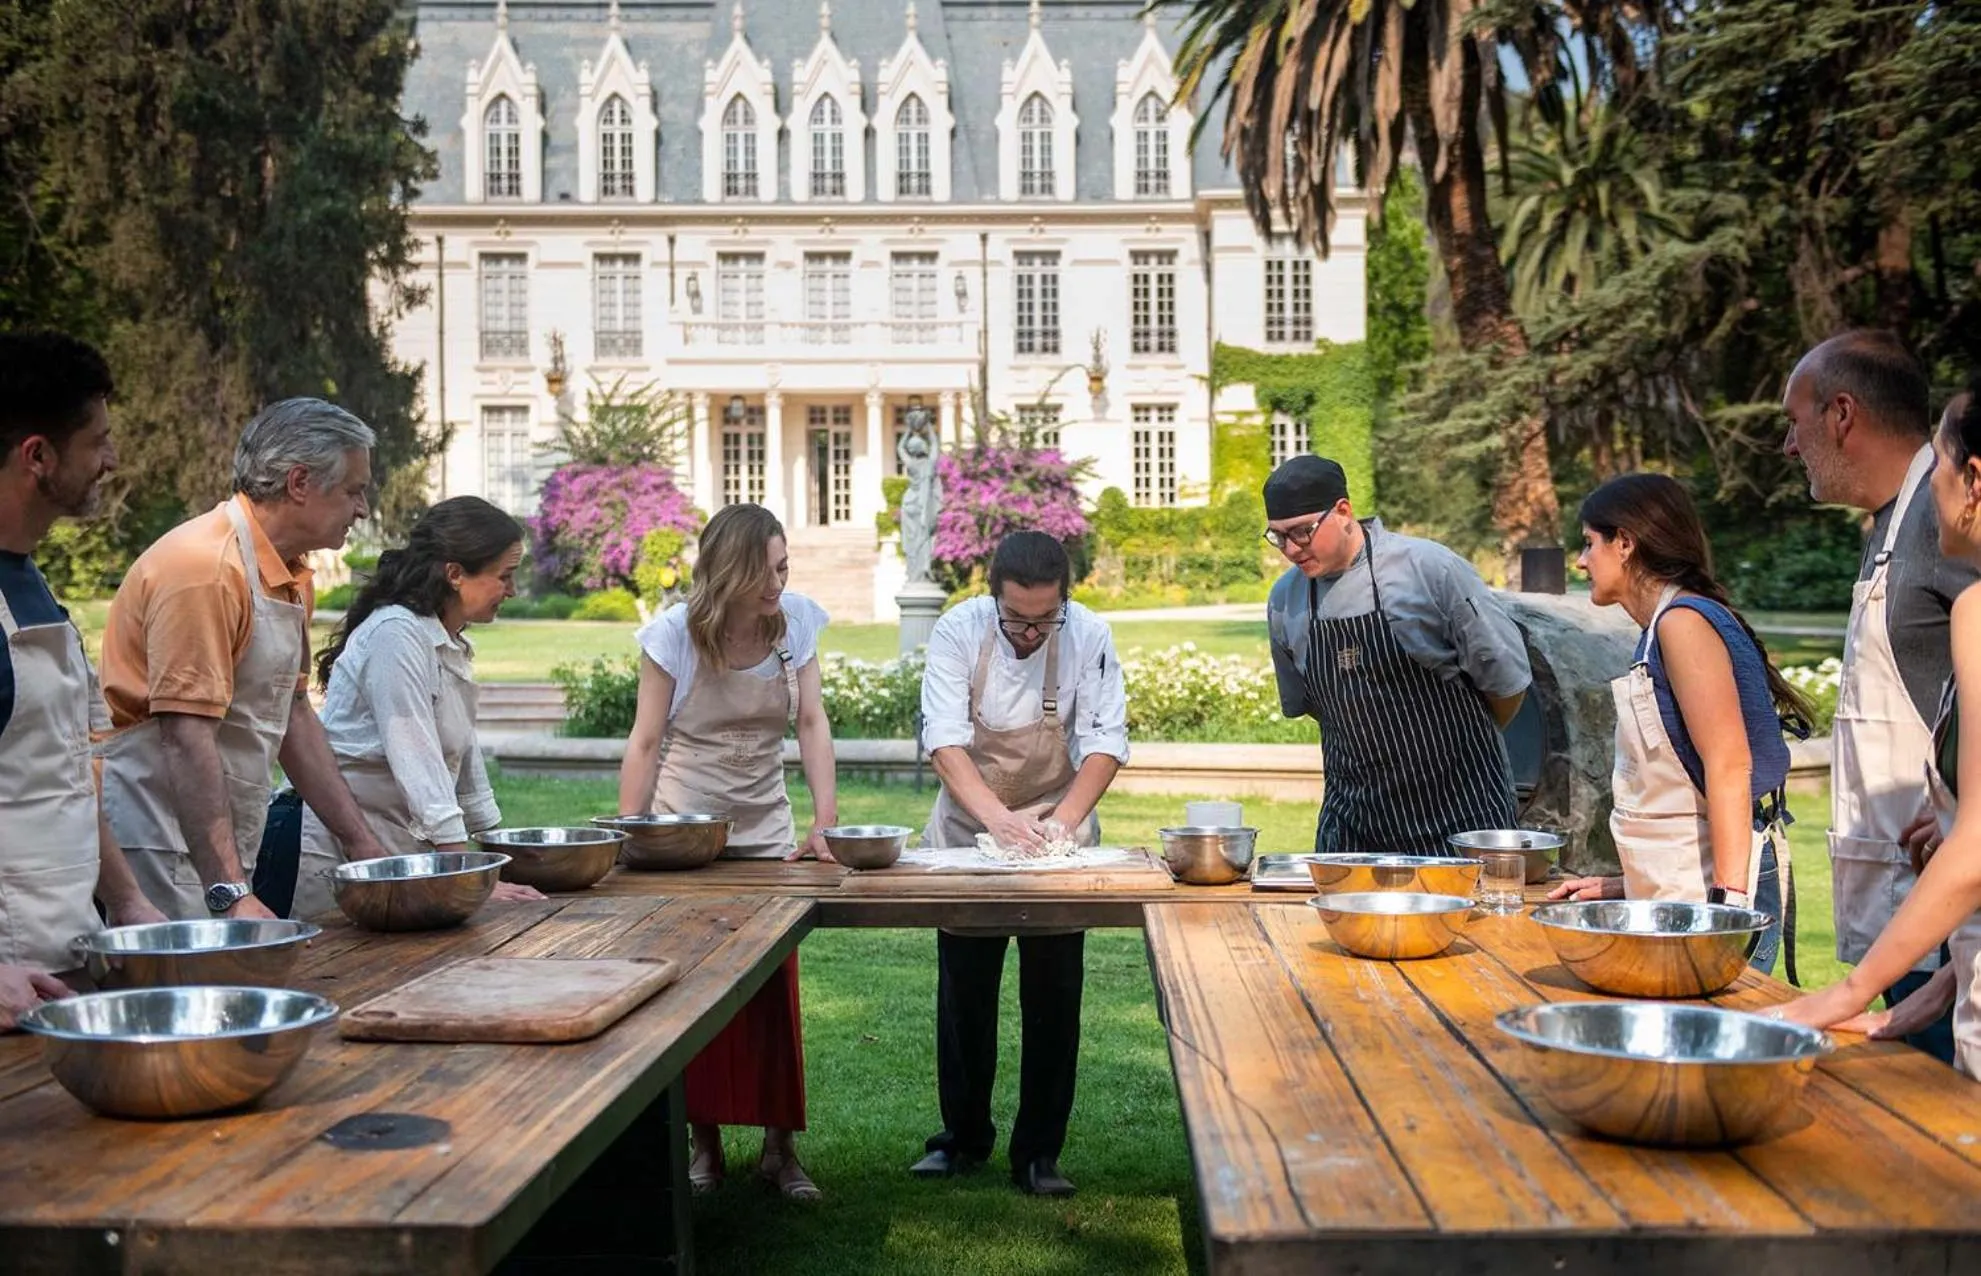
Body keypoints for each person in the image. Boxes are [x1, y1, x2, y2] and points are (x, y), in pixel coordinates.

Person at [98, 398, 394, 920]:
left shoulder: (290, 574)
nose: (363, 509)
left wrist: (362, 845)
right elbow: (185, 737)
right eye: (354, 490)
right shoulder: (205, 568)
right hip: (159, 836)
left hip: (220, 839)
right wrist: (231, 891)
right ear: (299, 483)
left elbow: (294, 715)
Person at [618, 503, 838, 1200]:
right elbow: (646, 741)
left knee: (772, 993)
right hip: (687, 832)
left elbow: (810, 721)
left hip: (767, 830)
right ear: (733, 569)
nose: (780, 582)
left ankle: (781, 1150)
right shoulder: (672, 636)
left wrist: (822, 822)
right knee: (694, 993)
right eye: (768, 569)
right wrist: (633, 835)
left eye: (784, 567)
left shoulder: (795, 622)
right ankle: (704, 1145)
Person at [909, 531, 1130, 1198]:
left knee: (1054, 993)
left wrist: (1060, 822)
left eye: (1044, 618)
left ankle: (1038, 1153)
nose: (1030, 632)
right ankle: (962, 1139)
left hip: (1054, 825)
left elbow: (1103, 741)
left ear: (1064, 598)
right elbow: (943, 741)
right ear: (992, 594)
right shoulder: (958, 631)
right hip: (966, 821)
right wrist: (996, 822)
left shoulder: (1087, 634)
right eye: (1017, 618)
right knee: (964, 993)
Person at [1784, 376, 1981, 1075]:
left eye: (1941, 460)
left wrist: (1845, 992)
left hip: (1933, 922)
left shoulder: (1970, 596)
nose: (1931, 483)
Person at [1548, 476, 1813, 973]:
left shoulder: (1683, 623)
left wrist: (1728, 910)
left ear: (1624, 543)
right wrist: (1628, 884)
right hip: (1679, 891)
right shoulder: (1659, 629)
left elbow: (1729, 764)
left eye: (1589, 543)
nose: (1582, 561)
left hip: (1717, 895)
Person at [263, 497, 544, 919]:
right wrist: (466, 875)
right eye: (504, 576)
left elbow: (461, 752)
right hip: (324, 851)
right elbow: (418, 760)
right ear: (454, 574)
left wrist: (493, 848)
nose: (513, 590)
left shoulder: (446, 641)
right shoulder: (397, 635)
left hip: (391, 850)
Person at [0, 332, 163, 1029]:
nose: (111, 460)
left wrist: (125, 898)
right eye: (97, 441)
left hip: (65, 963)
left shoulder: (29, 577)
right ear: (39, 456)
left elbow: (67, 767)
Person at [1263, 455, 1532, 855]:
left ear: (1343, 511)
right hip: (1354, 828)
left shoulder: (1430, 571)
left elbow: (1506, 686)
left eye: (1302, 532)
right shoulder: (1286, 600)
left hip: (1463, 818)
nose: (1290, 549)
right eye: (1278, 537)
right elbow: (1318, 707)